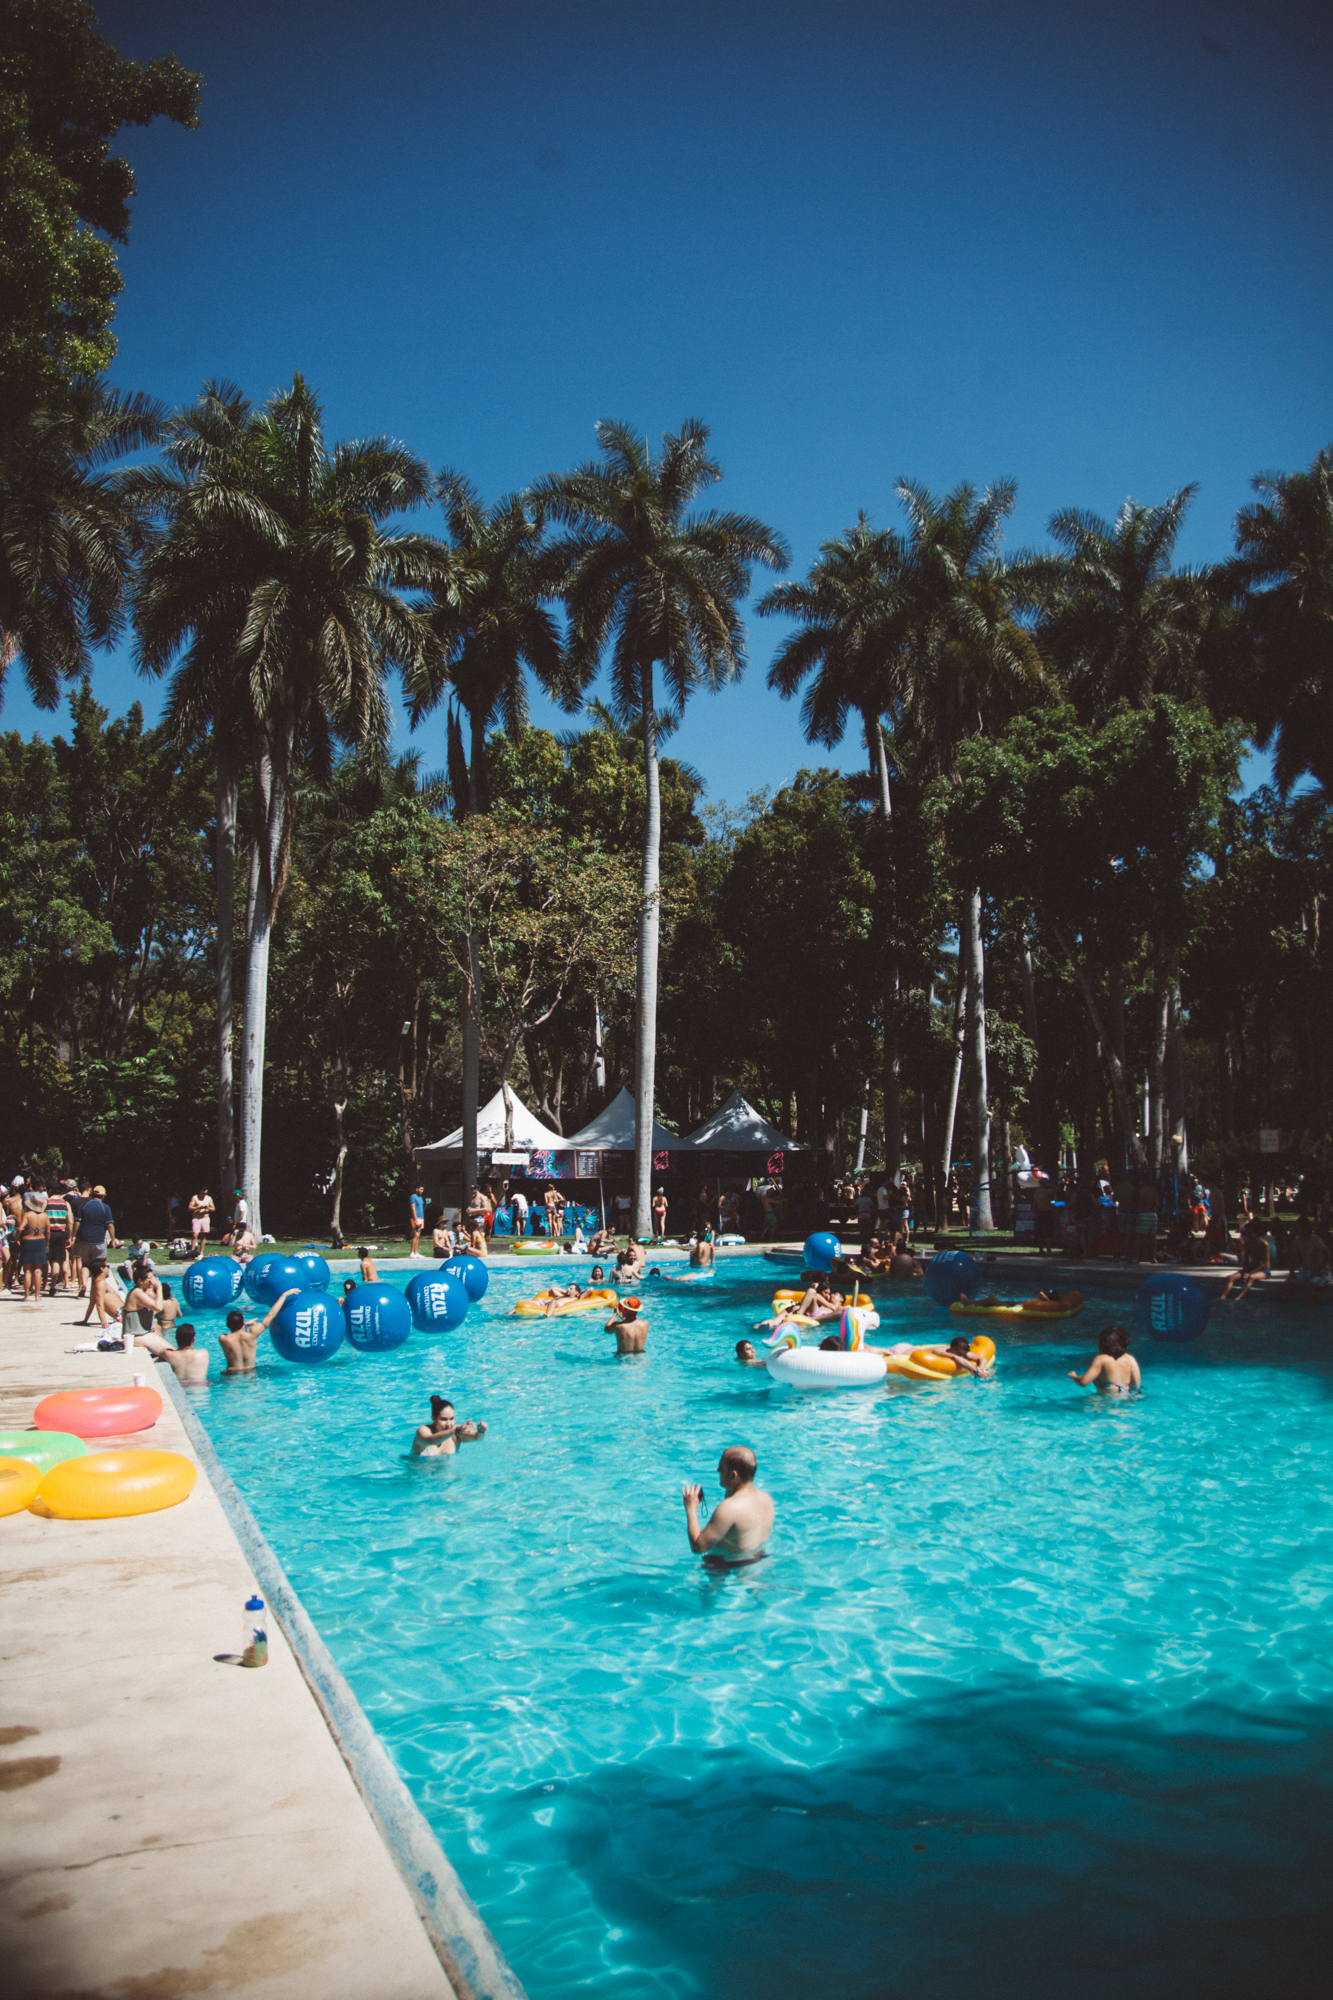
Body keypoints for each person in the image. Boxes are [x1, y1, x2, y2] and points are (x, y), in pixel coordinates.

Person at [682, 1446, 775, 1569]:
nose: (717, 1470)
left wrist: (691, 1508)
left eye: (721, 1467)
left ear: (733, 1475)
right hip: (758, 1557)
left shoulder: (729, 1508)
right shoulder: (766, 1499)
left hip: (728, 1563)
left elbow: (698, 1547)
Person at [219, 1289, 299, 1374]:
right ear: (242, 1322)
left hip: (231, 1374)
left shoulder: (223, 1339)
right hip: (250, 1373)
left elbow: (233, 1333)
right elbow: (271, 1315)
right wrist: (284, 1295)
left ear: (227, 1325)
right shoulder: (252, 1333)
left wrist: (244, 1325)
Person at [1068, 1324, 1141, 1394]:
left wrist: (1074, 1376)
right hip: (1127, 1398)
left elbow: (1083, 1382)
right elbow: (1136, 1385)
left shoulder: (1101, 1359)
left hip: (1107, 1400)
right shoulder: (1131, 1359)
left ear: (1102, 1344)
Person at [411, 1395, 487, 1457]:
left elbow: (477, 1437)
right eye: (443, 1419)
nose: (448, 1424)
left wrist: (481, 1431)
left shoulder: (456, 1433)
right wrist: (455, 1430)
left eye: (451, 1419)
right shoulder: (423, 1430)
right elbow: (431, 1441)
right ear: (433, 1419)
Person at [137, 1320, 210, 1385]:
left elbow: (144, 1341)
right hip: (200, 1387)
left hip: (180, 1386)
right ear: (193, 1339)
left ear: (176, 1338)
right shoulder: (204, 1353)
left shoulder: (168, 1354)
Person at [1280, 1216, 1332, 1304]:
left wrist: (1320, 1270)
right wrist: (1291, 1272)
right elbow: (1292, 1256)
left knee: (1310, 1287)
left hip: (1321, 1271)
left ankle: (1312, 1310)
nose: (1296, 1230)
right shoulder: (1298, 1240)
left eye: (1298, 1227)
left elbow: (1327, 1255)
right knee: (1286, 1285)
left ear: (1304, 1228)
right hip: (1305, 1271)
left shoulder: (1315, 1239)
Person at [1221, 1220, 1271, 1301]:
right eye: (1247, 1233)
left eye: (1250, 1233)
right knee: (1230, 1278)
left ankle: (1238, 1298)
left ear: (1255, 1233)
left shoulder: (1264, 1244)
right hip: (1251, 1268)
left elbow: (1264, 1264)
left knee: (1251, 1277)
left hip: (1264, 1270)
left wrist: (1250, 1274)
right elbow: (1246, 1261)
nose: (1248, 1235)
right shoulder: (1247, 1244)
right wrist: (1245, 1271)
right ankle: (1223, 1297)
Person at [17, 1191, 49, 1305]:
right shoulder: (45, 1216)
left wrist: (16, 1238)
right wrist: (47, 1244)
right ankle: (37, 1295)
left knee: (27, 1270)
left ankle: (26, 1295)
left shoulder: (27, 1215)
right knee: (37, 1270)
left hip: (27, 1241)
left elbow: (20, 1228)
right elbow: (48, 1232)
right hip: (40, 1241)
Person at [45, 1184, 72, 1295]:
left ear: (50, 1190)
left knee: (46, 1259)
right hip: (60, 1234)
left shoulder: (46, 1202)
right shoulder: (65, 1204)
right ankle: (53, 1286)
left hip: (47, 1233)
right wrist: (68, 1235)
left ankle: (44, 1283)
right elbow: (70, 1221)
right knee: (56, 1261)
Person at [408, 1183, 425, 1256]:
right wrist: (416, 1219)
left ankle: (416, 1252)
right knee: (415, 1235)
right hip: (416, 1218)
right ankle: (412, 1252)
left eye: (423, 1189)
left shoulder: (420, 1198)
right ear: (416, 1189)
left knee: (418, 1235)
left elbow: (422, 1209)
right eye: (421, 1189)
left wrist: (427, 1204)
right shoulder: (413, 1197)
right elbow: (413, 1208)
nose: (422, 1191)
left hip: (421, 1218)